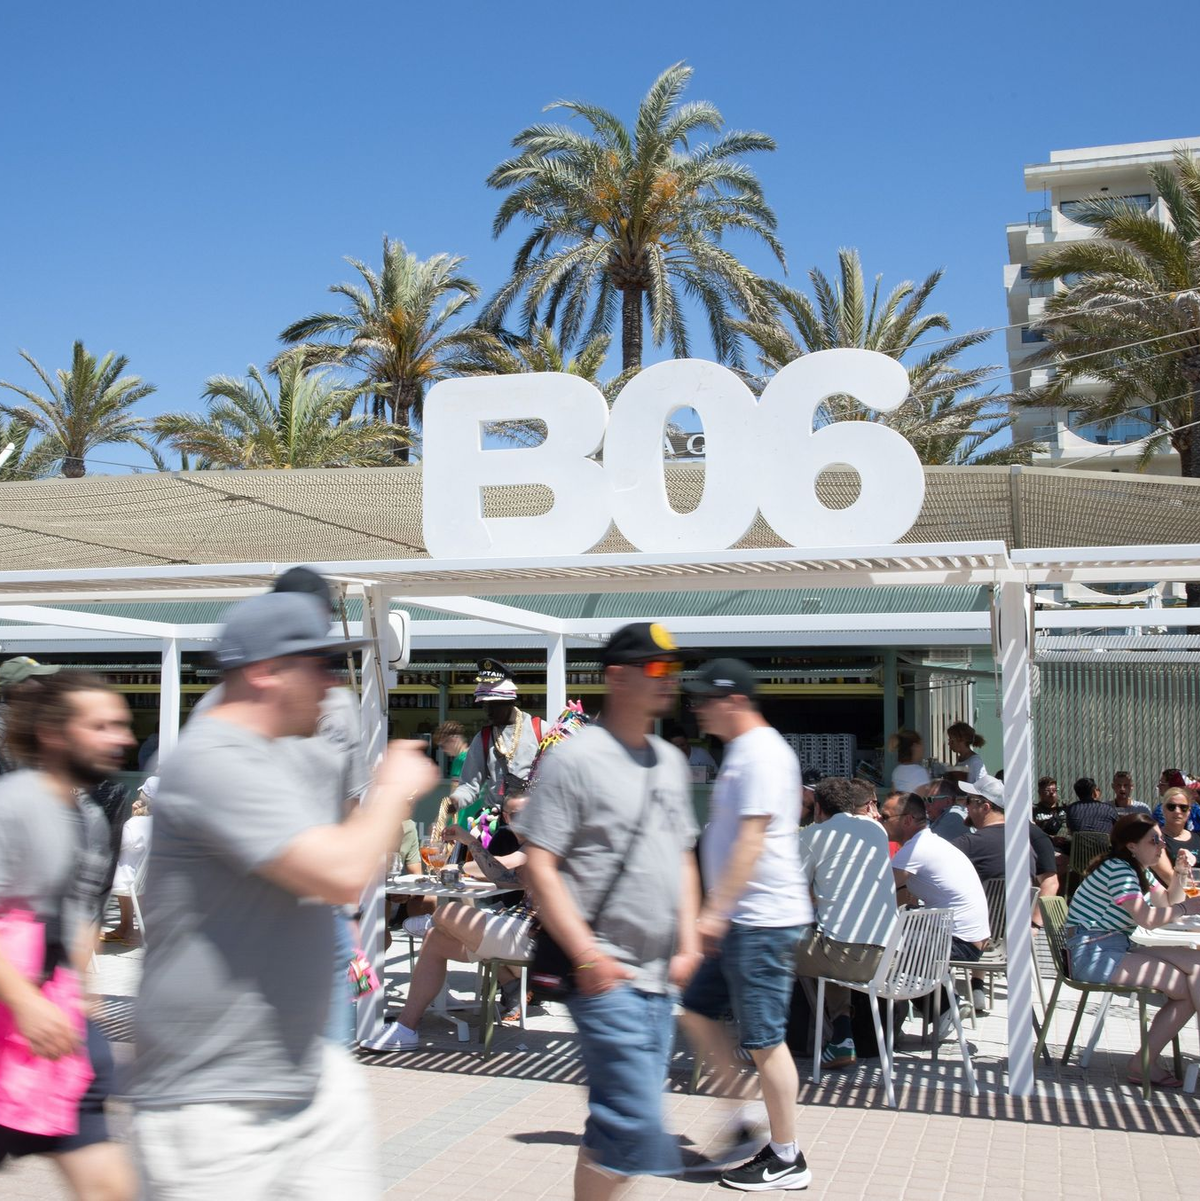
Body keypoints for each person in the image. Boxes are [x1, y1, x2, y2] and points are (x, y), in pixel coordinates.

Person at [127, 590, 438, 1199]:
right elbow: (342, 871)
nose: (331, 684)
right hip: (213, 1107)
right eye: (318, 665)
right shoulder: (212, 760)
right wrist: (394, 789)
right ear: (265, 672)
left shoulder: (269, 757)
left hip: (303, 1080)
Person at [515, 622, 700, 1200]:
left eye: (672, 669)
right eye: (655, 669)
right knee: (636, 1126)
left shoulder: (670, 760)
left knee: (611, 1128)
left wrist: (690, 943)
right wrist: (586, 956)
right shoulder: (575, 760)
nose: (668, 680)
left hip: (658, 977)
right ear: (616, 677)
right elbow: (540, 864)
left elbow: (684, 856)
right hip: (605, 975)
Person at [190, 566, 372, 1047]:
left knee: (328, 1061)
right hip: (252, 911)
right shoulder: (218, 721)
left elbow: (350, 801)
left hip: (318, 907)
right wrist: (397, 791)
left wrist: (347, 909)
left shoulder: (335, 703)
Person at [0, 672, 138, 1200]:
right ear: (54, 734)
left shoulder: (89, 819)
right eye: (101, 726)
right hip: (18, 1019)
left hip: (59, 1028)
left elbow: (79, 919)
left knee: (110, 1189)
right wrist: (24, 1002)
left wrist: (84, 996)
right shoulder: (14, 806)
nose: (120, 738)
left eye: (121, 725)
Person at [678, 659, 812, 1193]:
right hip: (743, 918)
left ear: (733, 701)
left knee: (765, 1040)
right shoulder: (745, 752)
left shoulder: (760, 753)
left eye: (706, 698)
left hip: (760, 919)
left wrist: (714, 911)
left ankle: (787, 1156)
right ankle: (742, 1122)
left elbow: (751, 842)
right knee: (695, 1008)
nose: (697, 707)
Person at [372, 792, 536, 1048]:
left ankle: (437, 921)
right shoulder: (530, 846)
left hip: (532, 932)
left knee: (447, 913)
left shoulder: (545, 844)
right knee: (434, 940)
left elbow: (502, 868)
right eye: (516, 815)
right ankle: (406, 1028)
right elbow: (502, 876)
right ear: (505, 817)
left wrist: (468, 849)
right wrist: (469, 842)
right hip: (513, 925)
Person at [1065, 812, 1200, 1088]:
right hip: (1094, 953)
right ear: (1131, 845)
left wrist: (1180, 873)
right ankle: (1143, 1063)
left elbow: (1166, 903)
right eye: (1155, 841)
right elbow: (1147, 918)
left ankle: (1146, 1062)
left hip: (1113, 946)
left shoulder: (1135, 868)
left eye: (1162, 840)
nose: (1162, 846)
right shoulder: (1120, 870)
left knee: (1197, 964)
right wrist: (1187, 907)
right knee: (1186, 988)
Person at [796, 777, 898, 1073]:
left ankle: (761, 1040)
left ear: (817, 808)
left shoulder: (812, 835)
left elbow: (795, 892)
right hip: (887, 958)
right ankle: (841, 1034)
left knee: (767, 947)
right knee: (832, 938)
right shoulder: (875, 829)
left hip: (845, 958)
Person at [880, 792, 989, 1040]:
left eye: (885, 816)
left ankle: (944, 1007)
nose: (880, 820)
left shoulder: (917, 848)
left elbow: (880, 889)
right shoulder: (928, 843)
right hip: (964, 936)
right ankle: (944, 1005)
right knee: (897, 944)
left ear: (907, 820)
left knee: (885, 951)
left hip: (959, 941)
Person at [952, 773, 1058, 1011]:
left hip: (976, 938)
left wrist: (1035, 926)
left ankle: (940, 1005)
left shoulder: (969, 843)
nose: (964, 805)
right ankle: (975, 985)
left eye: (969, 800)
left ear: (986, 806)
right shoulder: (1025, 846)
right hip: (1009, 937)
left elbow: (1052, 883)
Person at [100, 775, 156, 944]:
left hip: (125, 879)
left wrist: (132, 817)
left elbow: (118, 843)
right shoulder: (157, 823)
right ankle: (130, 928)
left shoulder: (136, 823)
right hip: (143, 879)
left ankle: (125, 928)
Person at [429, 720, 469, 840]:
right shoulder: (473, 755)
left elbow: (454, 798)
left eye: (442, 745)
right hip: (475, 822)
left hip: (462, 823)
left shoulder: (460, 760)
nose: (443, 750)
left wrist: (438, 823)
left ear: (453, 740)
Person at [1159, 787, 1200, 867]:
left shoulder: (1198, 838)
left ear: (1189, 811)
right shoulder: (1157, 839)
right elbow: (1167, 875)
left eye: (1183, 807)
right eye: (1171, 807)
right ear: (1163, 809)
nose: (1177, 811)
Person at [888, 728, 930, 794]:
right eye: (921, 744)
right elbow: (921, 800)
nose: (923, 748)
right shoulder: (920, 772)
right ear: (915, 746)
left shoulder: (897, 770)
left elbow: (893, 794)